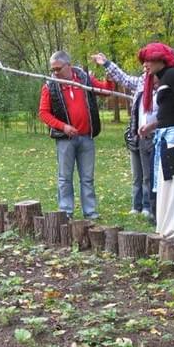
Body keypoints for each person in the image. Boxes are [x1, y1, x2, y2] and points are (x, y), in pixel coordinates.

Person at [39, 50, 115, 219]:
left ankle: (90, 212)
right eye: (53, 70)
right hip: (65, 140)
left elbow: (106, 90)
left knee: (87, 178)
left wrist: (109, 76)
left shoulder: (84, 79)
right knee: (65, 178)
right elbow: (43, 113)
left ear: (69, 66)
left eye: (58, 69)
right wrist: (63, 126)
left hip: (86, 138)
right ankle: (66, 212)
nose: (55, 73)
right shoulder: (49, 86)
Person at [137, 43, 174, 239]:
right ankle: (167, 228)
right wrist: (151, 126)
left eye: (149, 60)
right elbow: (168, 112)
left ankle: (172, 232)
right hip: (166, 136)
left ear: (161, 59)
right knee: (165, 184)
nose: (146, 65)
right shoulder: (164, 78)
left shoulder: (173, 75)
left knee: (173, 185)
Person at [91, 53, 157, 220]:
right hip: (137, 135)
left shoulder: (164, 85)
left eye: (147, 65)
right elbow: (123, 79)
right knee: (137, 174)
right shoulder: (142, 81)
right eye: (143, 66)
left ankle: (149, 207)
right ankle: (136, 205)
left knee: (149, 175)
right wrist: (106, 63)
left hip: (154, 137)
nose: (144, 69)